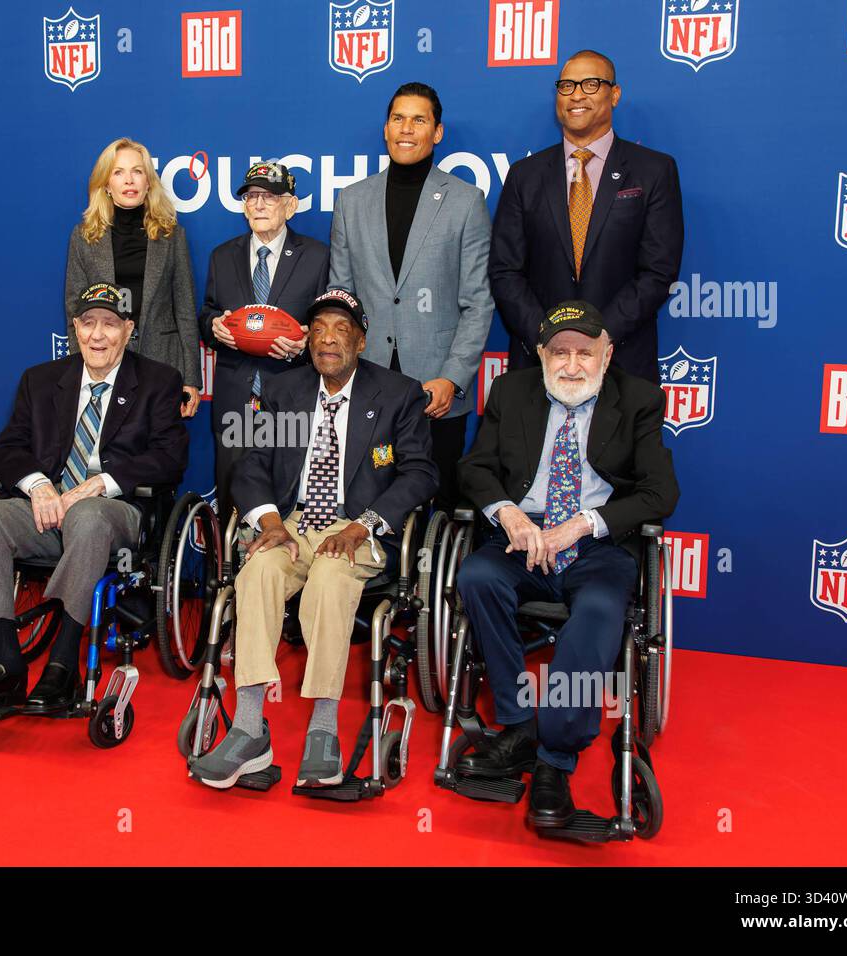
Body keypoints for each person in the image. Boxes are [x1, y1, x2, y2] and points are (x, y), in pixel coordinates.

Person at [190, 289, 437, 790]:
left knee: (328, 576)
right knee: (257, 569)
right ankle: (248, 728)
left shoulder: (397, 394)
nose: (327, 339)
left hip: (355, 526)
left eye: (341, 330)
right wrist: (270, 523)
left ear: (361, 341)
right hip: (295, 524)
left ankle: (323, 729)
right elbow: (252, 464)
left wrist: (362, 524)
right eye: (319, 329)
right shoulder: (285, 392)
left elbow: (420, 475)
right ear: (307, 341)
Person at [454, 300, 679, 830]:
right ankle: (516, 724)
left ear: (607, 353)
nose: (572, 364)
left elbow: (660, 492)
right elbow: (475, 467)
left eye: (585, 352)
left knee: (600, 611)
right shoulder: (511, 391)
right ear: (541, 354)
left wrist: (583, 523)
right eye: (560, 352)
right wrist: (508, 514)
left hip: (595, 545)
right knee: (476, 576)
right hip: (524, 536)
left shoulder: (640, 399)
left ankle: (556, 759)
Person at [0, 282, 188, 712]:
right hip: (49, 509)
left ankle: (63, 663)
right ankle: (7, 664)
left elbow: (170, 457)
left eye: (109, 324)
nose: (97, 335)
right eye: (88, 323)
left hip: (117, 513)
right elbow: (5, 448)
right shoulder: (41, 380)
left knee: (89, 515)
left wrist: (103, 482)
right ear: (74, 328)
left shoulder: (158, 381)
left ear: (128, 330)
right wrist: (38, 484)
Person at [329, 82, 493, 513]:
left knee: (434, 507)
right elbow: (341, 299)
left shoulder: (466, 202)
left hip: (435, 389)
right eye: (398, 118)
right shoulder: (351, 201)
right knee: (363, 505)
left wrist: (453, 378)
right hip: (366, 385)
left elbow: (477, 301)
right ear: (386, 128)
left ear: (437, 132)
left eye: (419, 120)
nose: (407, 128)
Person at [490, 50, 684, 384]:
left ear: (615, 94)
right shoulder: (525, 175)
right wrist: (549, 336)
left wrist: (598, 336)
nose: (576, 94)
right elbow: (505, 270)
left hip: (622, 361)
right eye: (566, 86)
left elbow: (657, 271)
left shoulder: (653, 170)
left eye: (590, 84)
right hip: (540, 363)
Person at [199, 160, 329, 525]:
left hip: (291, 397)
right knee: (232, 497)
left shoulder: (317, 256)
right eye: (252, 197)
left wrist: (307, 342)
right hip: (234, 398)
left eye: (269, 197)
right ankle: (226, 577)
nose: (258, 204)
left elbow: (326, 322)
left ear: (290, 205)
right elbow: (206, 313)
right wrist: (215, 327)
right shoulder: (222, 256)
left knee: (283, 496)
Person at [65, 137, 202, 417]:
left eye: (137, 171)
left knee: (160, 452)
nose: (129, 180)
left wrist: (191, 379)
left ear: (148, 182)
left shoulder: (172, 235)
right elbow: (74, 313)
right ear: (106, 184)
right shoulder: (84, 237)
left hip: (162, 360)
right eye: (118, 172)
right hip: (105, 362)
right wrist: (77, 373)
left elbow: (185, 310)